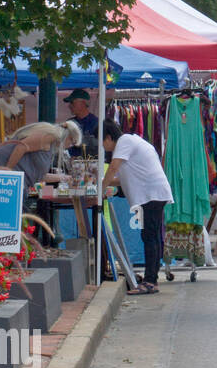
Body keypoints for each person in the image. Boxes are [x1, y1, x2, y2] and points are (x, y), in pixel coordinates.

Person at [100, 120, 174, 296]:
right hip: (152, 194)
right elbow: (121, 178)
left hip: (151, 195)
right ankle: (151, 278)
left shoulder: (124, 142)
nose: (102, 146)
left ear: (109, 137)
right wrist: (104, 184)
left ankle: (150, 281)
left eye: (102, 142)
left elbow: (113, 169)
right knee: (151, 236)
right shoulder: (132, 141)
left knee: (150, 237)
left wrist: (100, 189)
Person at [0, 122, 79, 186]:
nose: (70, 146)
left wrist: (64, 177)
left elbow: (39, 176)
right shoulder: (50, 136)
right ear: (68, 136)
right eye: (72, 142)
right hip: (1, 172)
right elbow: (21, 147)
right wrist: (8, 172)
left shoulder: (50, 145)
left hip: (15, 180)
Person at [63, 89, 99, 157]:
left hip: (89, 164)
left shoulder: (96, 123)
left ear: (83, 103)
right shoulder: (69, 122)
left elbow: (97, 146)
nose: (69, 106)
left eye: (72, 102)